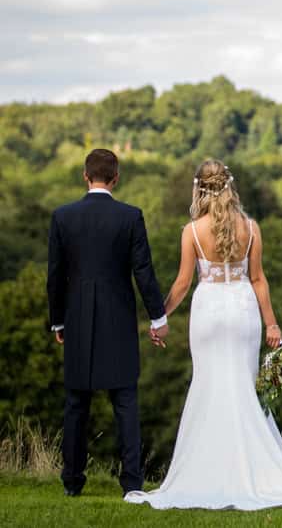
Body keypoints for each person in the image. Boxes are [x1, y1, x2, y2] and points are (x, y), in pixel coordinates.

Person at [124, 159, 282, 510]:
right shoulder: (250, 227)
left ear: (199, 189)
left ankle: (208, 472)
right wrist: (273, 324)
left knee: (207, 385)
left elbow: (182, 284)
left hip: (208, 314)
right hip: (243, 311)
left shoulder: (191, 232)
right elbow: (258, 279)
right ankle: (252, 469)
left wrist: (159, 318)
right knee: (243, 388)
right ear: (230, 186)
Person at [48, 148, 169, 497]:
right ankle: (132, 483)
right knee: (126, 403)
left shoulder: (62, 216)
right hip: (119, 320)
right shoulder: (130, 217)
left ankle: (72, 482)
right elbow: (143, 273)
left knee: (76, 405)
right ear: (116, 178)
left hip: (77, 320)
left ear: (86, 176)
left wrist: (58, 323)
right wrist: (158, 317)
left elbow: (54, 277)